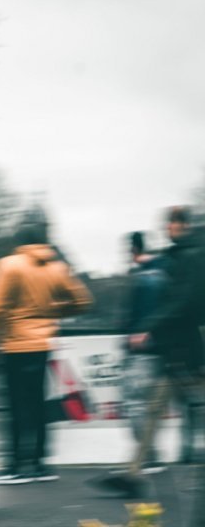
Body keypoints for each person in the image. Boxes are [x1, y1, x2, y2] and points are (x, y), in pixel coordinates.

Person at [90, 206, 205, 502]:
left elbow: (184, 302)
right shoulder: (181, 254)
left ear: (179, 225)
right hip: (179, 349)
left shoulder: (191, 256)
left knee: (160, 410)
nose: (168, 229)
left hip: (185, 349)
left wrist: (149, 326)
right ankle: (134, 472)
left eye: (171, 224)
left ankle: (136, 472)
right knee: (155, 409)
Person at [0, 222, 92, 484]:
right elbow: (82, 301)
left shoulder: (8, 265)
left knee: (15, 406)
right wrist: (52, 314)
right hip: (42, 345)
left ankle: (16, 465)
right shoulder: (57, 267)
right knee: (38, 404)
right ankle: (40, 464)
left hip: (14, 345)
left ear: (19, 241)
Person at [120, 231, 167, 472]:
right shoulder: (164, 273)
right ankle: (152, 455)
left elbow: (136, 315)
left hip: (141, 349)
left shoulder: (143, 277)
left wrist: (134, 334)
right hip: (162, 349)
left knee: (136, 402)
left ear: (134, 250)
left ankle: (147, 457)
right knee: (152, 406)